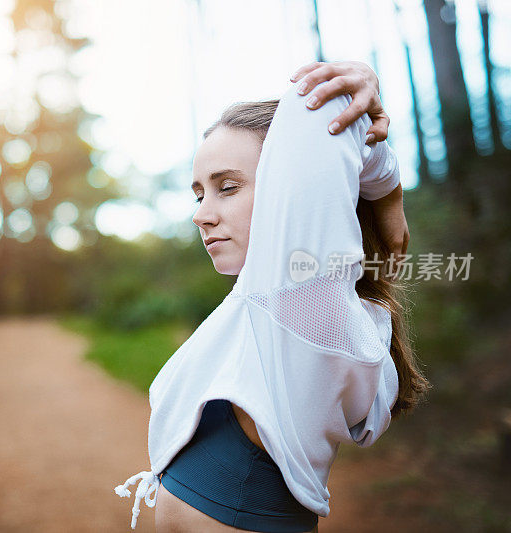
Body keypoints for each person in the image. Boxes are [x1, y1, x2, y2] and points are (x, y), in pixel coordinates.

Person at [113, 61, 431, 532]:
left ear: (291, 193)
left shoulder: (297, 297)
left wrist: (358, 91)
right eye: (199, 194)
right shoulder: (265, 312)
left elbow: (324, 115)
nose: (202, 214)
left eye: (228, 187)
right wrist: (384, 193)